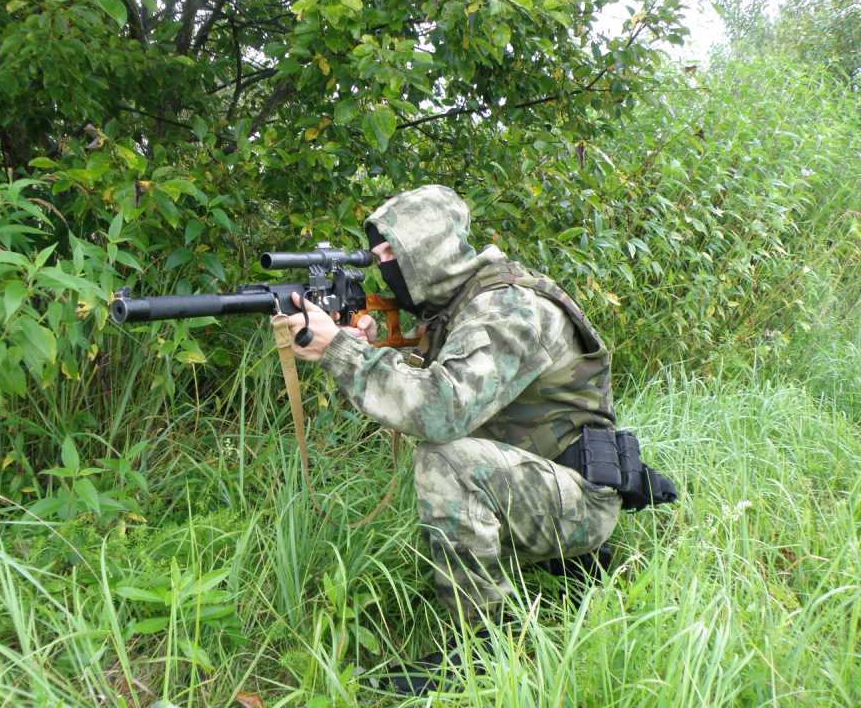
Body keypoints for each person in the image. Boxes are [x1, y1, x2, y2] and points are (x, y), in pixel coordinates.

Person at [284, 184, 670, 694]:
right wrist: (371, 349)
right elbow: (450, 386)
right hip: (549, 477)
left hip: (584, 498)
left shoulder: (508, 308)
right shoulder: (461, 304)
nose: (381, 266)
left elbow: (442, 413)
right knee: (451, 457)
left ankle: (487, 648)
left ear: (431, 249)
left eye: (391, 252)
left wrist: (343, 355)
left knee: (444, 461)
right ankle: (568, 566)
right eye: (377, 255)